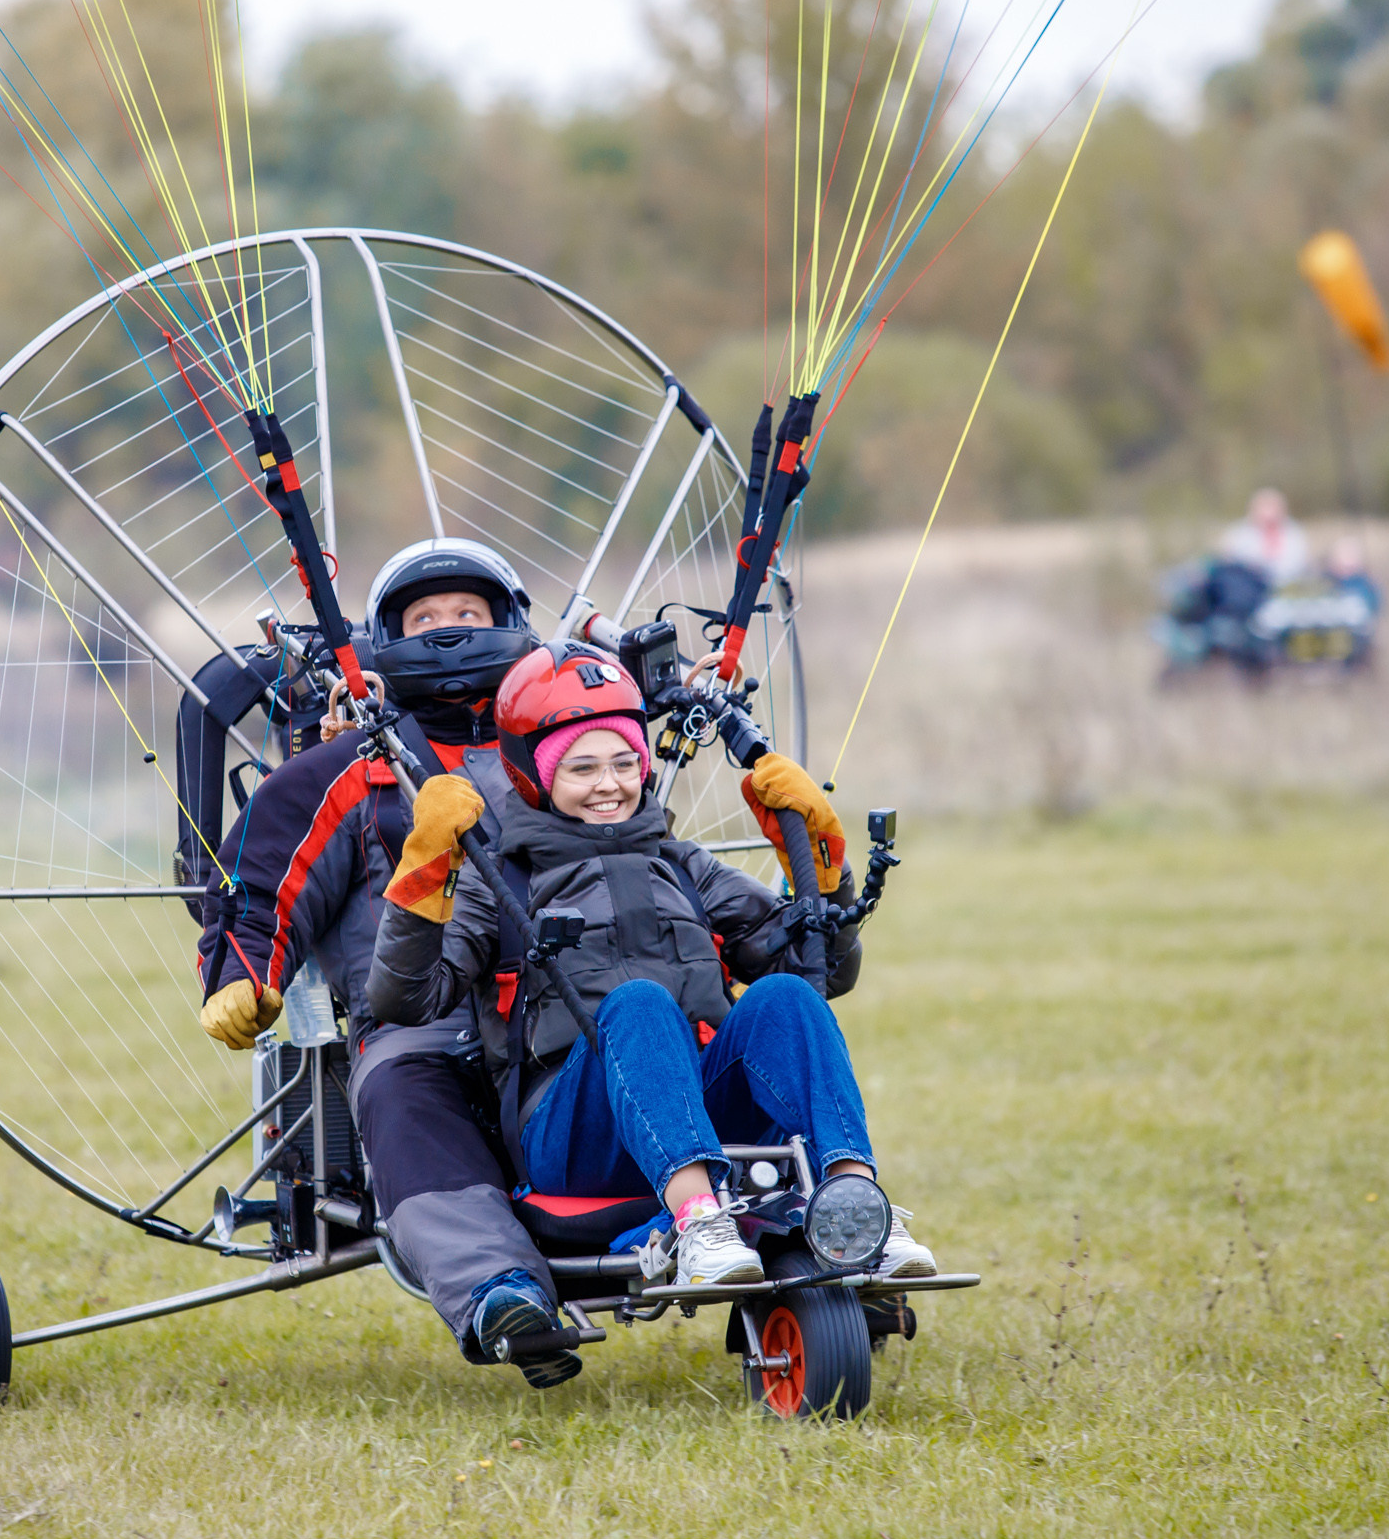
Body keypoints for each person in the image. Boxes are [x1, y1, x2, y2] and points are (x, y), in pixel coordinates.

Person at [367, 642, 935, 1293]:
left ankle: (856, 1206)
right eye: (581, 768)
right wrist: (425, 872)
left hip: (703, 1108)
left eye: (623, 762)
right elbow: (403, 999)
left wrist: (824, 875)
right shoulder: (500, 882)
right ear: (533, 775)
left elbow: (825, 970)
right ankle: (697, 1219)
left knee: (784, 995)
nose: (609, 783)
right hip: (575, 1133)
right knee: (639, 1002)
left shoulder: (683, 866)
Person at [193, 541, 583, 1386]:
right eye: (426, 620)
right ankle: (499, 1290)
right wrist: (239, 977)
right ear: (386, 642)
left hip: (562, 1011)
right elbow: (258, 888)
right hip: (421, 1025)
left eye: (468, 617)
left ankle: (787, 1227)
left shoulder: (568, 752)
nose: (448, 634)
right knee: (405, 1091)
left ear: (511, 626)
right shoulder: (342, 774)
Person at [1219, 488, 1313, 586]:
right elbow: (1232, 563)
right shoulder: (1238, 533)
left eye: (1273, 507)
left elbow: (1299, 564)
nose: (1268, 513)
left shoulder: (1294, 533)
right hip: (1249, 585)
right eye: (1264, 507)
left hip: (1287, 585)